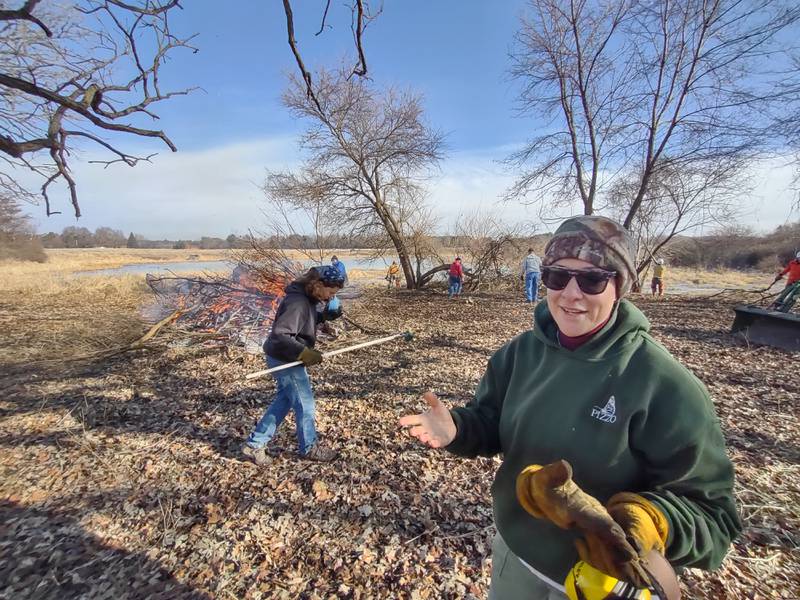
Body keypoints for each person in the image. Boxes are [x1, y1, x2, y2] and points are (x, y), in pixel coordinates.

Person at [399, 215, 741, 600]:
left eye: (592, 279)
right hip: (518, 556)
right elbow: (490, 421)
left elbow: (714, 518)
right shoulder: (520, 353)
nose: (571, 294)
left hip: (605, 585)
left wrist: (652, 520)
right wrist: (457, 430)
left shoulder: (664, 384)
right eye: (558, 277)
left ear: (621, 285)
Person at [242, 266, 345, 464]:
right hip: (285, 358)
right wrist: (303, 352)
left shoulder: (305, 298)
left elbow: (305, 320)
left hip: (284, 355)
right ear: (318, 285)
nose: (332, 297)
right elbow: (281, 335)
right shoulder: (297, 302)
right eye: (331, 293)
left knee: (285, 400)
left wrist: (324, 317)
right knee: (305, 404)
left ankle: (254, 444)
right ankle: (309, 448)